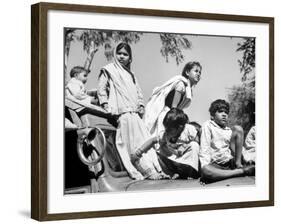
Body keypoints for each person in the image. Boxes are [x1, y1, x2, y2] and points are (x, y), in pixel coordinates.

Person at [97, 42, 163, 180]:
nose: (121, 57)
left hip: (135, 114)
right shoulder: (109, 69)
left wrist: (141, 105)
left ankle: (156, 168)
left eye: (125, 54)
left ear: (130, 58)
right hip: (123, 113)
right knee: (131, 144)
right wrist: (104, 104)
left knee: (144, 142)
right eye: (119, 53)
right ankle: (147, 171)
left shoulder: (132, 75)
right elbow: (101, 88)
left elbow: (138, 92)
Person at [132, 108, 200, 179]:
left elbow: (197, 140)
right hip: (174, 160)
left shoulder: (188, 130)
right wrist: (138, 152)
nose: (167, 131)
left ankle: (192, 173)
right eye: (166, 129)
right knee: (159, 150)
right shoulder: (165, 135)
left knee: (194, 145)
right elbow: (152, 141)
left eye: (169, 130)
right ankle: (171, 173)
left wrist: (185, 146)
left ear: (179, 128)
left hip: (186, 159)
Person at [199, 99, 255, 183]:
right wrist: (204, 167)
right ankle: (240, 172)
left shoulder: (228, 130)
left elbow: (237, 149)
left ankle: (238, 166)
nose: (224, 114)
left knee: (238, 129)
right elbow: (204, 147)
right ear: (212, 115)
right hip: (215, 165)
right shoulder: (208, 125)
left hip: (230, 163)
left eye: (226, 112)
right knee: (206, 170)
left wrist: (247, 159)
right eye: (220, 112)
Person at [144, 61, 202, 137]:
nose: (198, 74)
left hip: (173, 117)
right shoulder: (181, 85)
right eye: (196, 71)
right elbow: (174, 109)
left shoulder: (189, 90)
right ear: (187, 72)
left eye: (200, 72)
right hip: (167, 116)